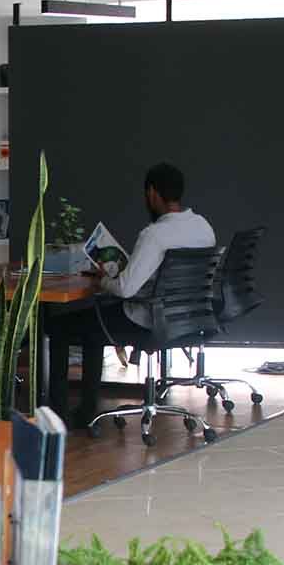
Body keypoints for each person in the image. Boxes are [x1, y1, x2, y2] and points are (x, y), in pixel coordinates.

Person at [52, 161, 215, 423]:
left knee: (60, 327)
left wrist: (103, 280)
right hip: (186, 318)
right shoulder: (203, 227)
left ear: (152, 193)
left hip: (148, 321)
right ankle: (84, 411)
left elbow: (126, 290)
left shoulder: (154, 235)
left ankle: (60, 414)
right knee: (92, 326)